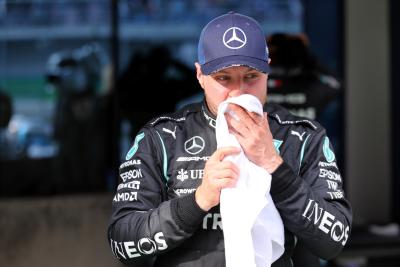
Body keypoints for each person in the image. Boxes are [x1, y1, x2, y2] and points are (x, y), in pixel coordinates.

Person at [107, 12, 352, 267]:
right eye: (224, 78)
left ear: (267, 69)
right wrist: (198, 201)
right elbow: (122, 242)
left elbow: (333, 241)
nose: (238, 91)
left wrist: (275, 167)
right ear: (200, 75)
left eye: (251, 77)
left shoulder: (303, 137)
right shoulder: (161, 138)